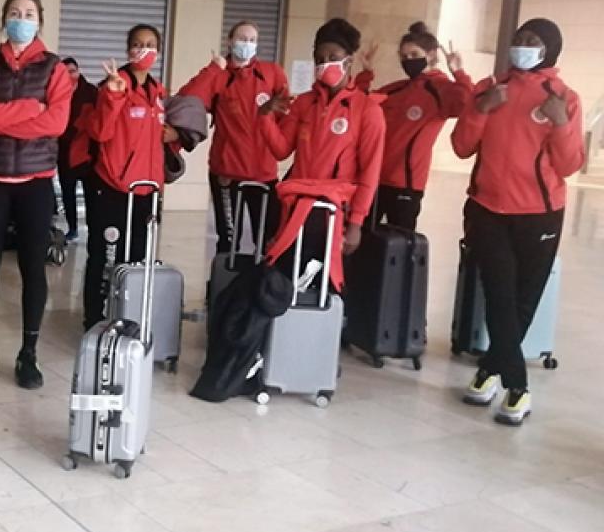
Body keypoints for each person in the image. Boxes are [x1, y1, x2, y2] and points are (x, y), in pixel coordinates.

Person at [453, 18, 584, 425]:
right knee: (498, 295)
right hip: (488, 210)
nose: (522, 46)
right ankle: (518, 386)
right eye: (518, 39)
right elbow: (461, 147)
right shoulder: (490, 88)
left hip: (540, 215)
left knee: (522, 301)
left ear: (549, 51)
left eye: (532, 41)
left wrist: (560, 123)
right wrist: (480, 109)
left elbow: (570, 164)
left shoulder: (563, 97)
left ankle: (490, 369)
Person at [0, 0, 72, 389]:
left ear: (39, 21)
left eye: (28, 12)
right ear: (4, 18)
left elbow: (56, 124)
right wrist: (30, 109)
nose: (21, 18)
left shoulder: (55, 69)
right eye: (14, 11)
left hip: (36, 184)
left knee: (33, 269)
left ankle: (29, 354)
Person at [259, 18, 385, 281]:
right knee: (285, 278)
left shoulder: (367, 110)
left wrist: (356, 224)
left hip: (333, 212)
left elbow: (370, 172)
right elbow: (281, 150)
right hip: (296, 207)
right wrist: (265, 117)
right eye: (319, 58)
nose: (325, 63)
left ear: (348, 61)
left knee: (321, 282)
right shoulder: (304, 103)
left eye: (333, 57)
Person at [80, 24, 176, 329]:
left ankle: (128, 316)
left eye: (149, 44)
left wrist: (173, 136)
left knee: (137, 260)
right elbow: (100, 132)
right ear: (127, 49)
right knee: (106, 259)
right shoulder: (112, 85)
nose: (143, 50)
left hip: (147, 192)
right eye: (137, 44)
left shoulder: (157, 92)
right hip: (113, 189)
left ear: (158, 51)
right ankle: (95, 321)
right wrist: (113, 97)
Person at [176, 21, 288, 254]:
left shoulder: (271, 73)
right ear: (230, 41)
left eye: (252, 40)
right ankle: (222, 288)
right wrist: (214, 68)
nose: (247, 44)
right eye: (242, 38)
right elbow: (186, 99)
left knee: (268, 240)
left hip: (263, 173)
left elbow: (287, 115)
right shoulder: (220, 75)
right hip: (227, 173)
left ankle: (261, 289)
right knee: (228, 241)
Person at [354, 22, 472, 229]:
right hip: (373, 178)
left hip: (406, 184)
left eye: (414, 54)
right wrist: (365, 74)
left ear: (432, 55)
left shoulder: (440, 90)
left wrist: (458, 72)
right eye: (404, 56)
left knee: (399, 245)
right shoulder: (397, 89)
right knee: (362, 240)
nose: (408, 61)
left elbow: (468, 105)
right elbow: (358, 104)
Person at [58, 57, 97, 242]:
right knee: (68, 194)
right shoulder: (57, 93)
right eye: (65, 72)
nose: (70, 75)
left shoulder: (90, 92)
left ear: (78, 71)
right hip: (64, 154)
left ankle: (93, 229)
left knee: (91, 196)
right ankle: (72, 229)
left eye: (72, 71)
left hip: (87, 155)